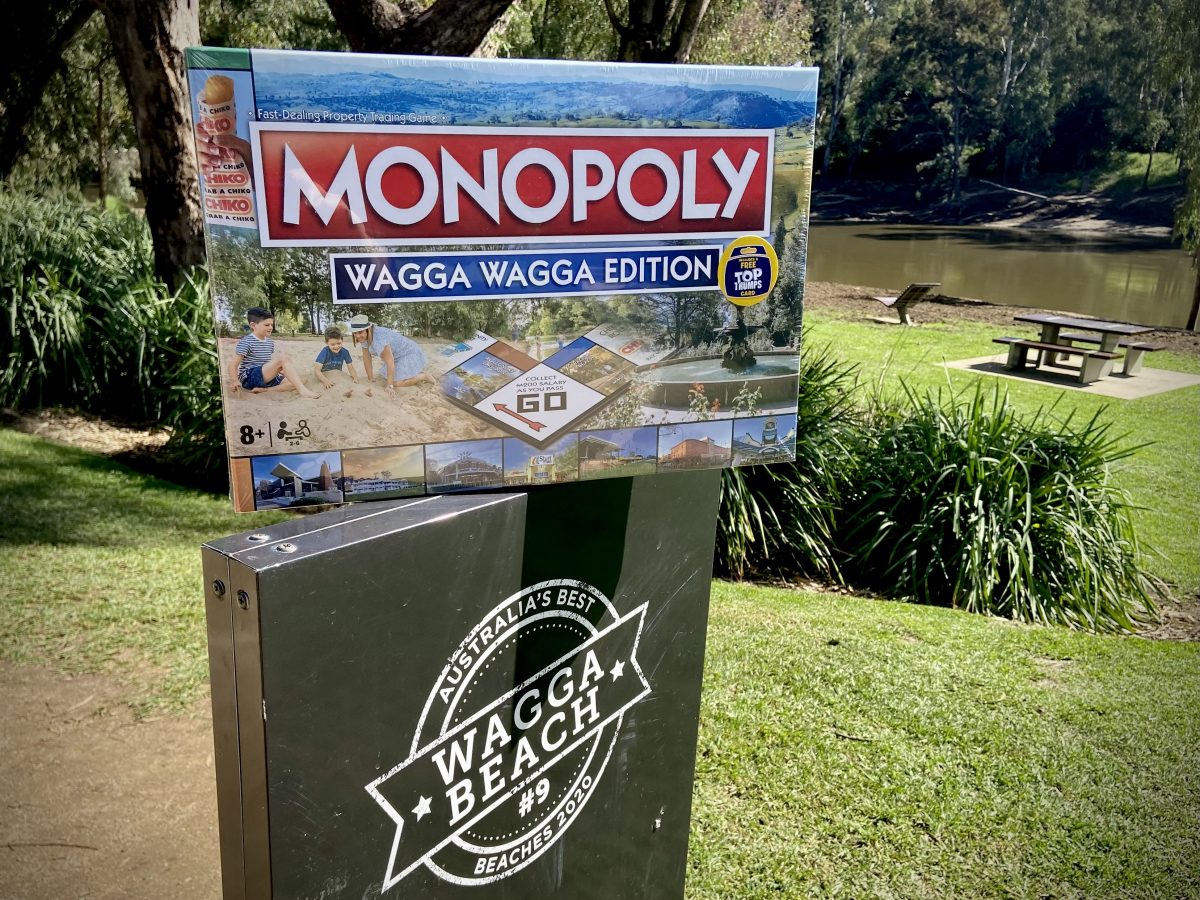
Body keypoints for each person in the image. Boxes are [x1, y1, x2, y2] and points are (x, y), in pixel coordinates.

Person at [229, 307, 319, 398]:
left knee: (302, 380)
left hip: (265, 377)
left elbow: (267, 363)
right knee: (283, 359)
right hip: (249, 378)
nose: (271, 328)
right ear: (253, 325)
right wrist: (235, 381)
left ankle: (265, 390)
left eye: (271, 325)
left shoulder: (269, 342)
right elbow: (233, 365)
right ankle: (302, 391)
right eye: (267, 325)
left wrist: (281, 371)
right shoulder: (246, 341)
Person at [348, 314, 436, 392]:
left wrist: (390, 385)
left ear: (367, 329)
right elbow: (366, 357)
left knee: (395, 382)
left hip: (408, 353)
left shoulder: (379, 339)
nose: (357, 336)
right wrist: (370, 378)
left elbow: (390, 361)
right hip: (397, 357)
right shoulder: (364, 337)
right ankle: (411, 373)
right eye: (355, 333)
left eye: (360, 332)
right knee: (387, 376)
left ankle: (424, 376)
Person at [312, 326, 365, 397]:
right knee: (332, 386)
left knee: (349, 379)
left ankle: (362, 391)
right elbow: (316, 370)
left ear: (342, 341)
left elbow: (350, 367)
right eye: (332, 344)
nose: (336, 346)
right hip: (325, 376)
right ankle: (344, 393)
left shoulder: (345, 352)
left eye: (339, 343)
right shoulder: (325, 351)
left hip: (338, 374)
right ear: (327, 343)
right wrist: (325, 381)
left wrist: (355, 377)